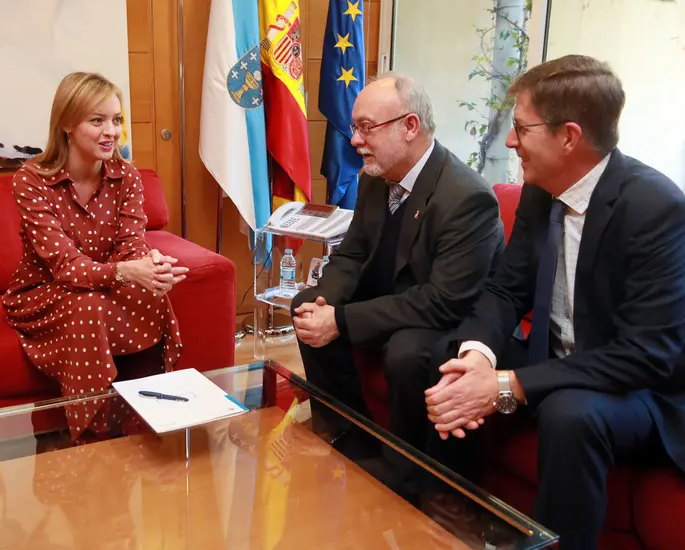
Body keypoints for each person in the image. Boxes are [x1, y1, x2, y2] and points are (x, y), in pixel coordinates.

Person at [425, 55, 685, 550]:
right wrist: (478, 359)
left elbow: (646, 355)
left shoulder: (655, 208)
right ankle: (451, 524)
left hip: (640, 388)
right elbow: (507, 288)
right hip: (558, 357)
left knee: (570, 413)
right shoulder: (542, 190)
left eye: (522, 128)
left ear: (569, 137)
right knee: (445, 358)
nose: (509, 140)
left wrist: (507, 385)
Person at [290, 73, 505, 450]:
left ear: (410, 126)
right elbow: (353, 254)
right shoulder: (374, 179)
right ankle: (347, 433)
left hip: (443, 316)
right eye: (355, 128)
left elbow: (442, 301)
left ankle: (407, 465)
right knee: (305, 306)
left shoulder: (466, 198)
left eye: (366, 127)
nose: (355, 140)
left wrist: (340, 320)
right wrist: (322, 304)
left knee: (405, 351)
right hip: (396, 300)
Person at [2, 72, 188, 441]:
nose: (112, 131)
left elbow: (131, 244)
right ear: (67, 124)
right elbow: (65, 267)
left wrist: (150, 267)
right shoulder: (31, 180)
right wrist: (127, 271)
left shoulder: (127, 176)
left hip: (103, 286)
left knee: (152, 294)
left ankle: (146, 420)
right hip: (46, 292)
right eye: (97, 120)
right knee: (88, 305)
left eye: (116, 120)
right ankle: (93, 434)